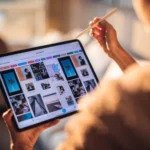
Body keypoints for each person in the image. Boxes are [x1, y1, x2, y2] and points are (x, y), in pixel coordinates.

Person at [2, 0, 150, 149]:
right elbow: (143, 92)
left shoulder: (104, 111)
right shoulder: (139, 91)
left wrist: (22, 144)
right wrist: (116, 51)